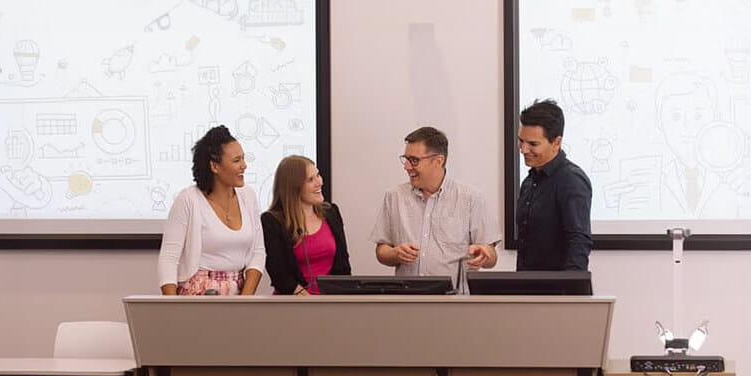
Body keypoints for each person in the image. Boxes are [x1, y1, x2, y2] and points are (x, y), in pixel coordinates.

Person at [371, 126, 499, 292]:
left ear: (438, 160)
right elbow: (382, 251)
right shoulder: (394, 196)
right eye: (406, 159)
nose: (407, 167)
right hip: (406, 302)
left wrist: (484, 254)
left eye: (414, 160)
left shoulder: (470, 198)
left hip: (454, 304)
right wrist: (395, 254)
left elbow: (492, 257)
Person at [157, 124, 265, 295]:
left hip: (239, 295)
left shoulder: (248, 196)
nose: (244, 165)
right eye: (237, 160)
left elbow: (259, 252)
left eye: (244, 158)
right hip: (198, 296)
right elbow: (168, 259)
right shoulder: (188, 199)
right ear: (214, 166)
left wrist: (246, 299)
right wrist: (174, 310)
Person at [516, 99, 593, 271]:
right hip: (527, 289)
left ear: (556, 142)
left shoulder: (571, 180)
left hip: (559, 292)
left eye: (533, 144)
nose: (523, 149)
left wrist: (570, 291)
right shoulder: (529, 182)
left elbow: (578, 241)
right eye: (521, 141)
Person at [261, 155, 351, 295]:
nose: (319, 182)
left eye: (318, 175)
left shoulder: (331, 213)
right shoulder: (272, 221)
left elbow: (343, 267)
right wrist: (305, 298)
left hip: (331, 302)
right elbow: (279, 274)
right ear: (293, 186)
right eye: (310, 180)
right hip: (293, 303)